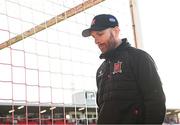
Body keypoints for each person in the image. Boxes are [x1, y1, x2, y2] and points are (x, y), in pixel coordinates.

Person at [82, 14, 166, 124]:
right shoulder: (100, 71)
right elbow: (101, 108)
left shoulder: (139, 58)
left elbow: (156, 101)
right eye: (94, 37)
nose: (96, 41)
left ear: (116, 31)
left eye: (100, 34)